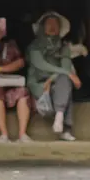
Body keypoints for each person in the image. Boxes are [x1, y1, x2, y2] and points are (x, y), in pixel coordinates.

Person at [26, 11, 80, 141]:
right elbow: (40, 65)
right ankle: (66, 128)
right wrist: (66, 73)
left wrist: (53, 78)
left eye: (55, 24)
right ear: (42, 27)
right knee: (66, 81)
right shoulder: (34, 46)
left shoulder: (63, 47)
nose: (52, 26)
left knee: (65, 82)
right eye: (49, 23)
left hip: (55, 83)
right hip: (39, 83)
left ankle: (59, 117)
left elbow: (66, 67)